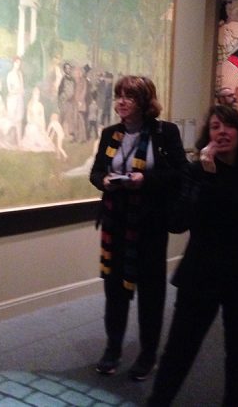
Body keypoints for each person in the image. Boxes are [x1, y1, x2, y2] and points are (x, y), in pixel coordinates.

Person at [147, 105, 238, 406]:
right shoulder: (196, 172)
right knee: (179, 351)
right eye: (215, 127)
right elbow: (177, 221)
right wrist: (207, 176)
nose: (222, 132)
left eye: (229, 126)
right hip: (202, 276)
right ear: (208, 135)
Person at [90, 75, 187, 381]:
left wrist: (146, 180)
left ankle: (147, 355)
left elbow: (181, 173)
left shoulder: (164, 132)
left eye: (129, 96)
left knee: (150, 295)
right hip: (115, 225)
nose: (121, 101)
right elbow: (96, 171)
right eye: (119, 95)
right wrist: (105, 180)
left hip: (149, 226)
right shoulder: (111, 134)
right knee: (115, 292)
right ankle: (113, 349)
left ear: (144, 101)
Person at [6, 57, 25, 146]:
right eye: (17, 63)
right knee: (12, 120)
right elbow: (10, 90)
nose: (18, 65)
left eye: (19, 63)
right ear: (13, 63)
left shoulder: (20, 74)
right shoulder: (10, 75)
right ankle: (10, 139)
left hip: (19, 98)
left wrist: (21, 91)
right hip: (12, 99)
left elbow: (22, 88)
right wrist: (18, 91)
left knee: (19, 119)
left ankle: (19, 141)